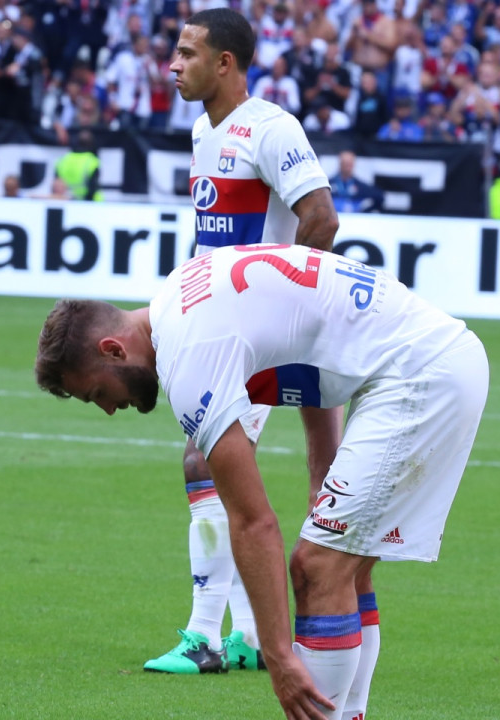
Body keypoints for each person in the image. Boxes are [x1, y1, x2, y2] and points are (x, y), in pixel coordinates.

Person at [34, 243, 490, 720]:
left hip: (418, 376)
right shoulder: (180, 289)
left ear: (113, 349)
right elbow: (313, 340)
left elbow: (254, 523)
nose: (109, 408)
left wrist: (277, 655)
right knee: (346, 569)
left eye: (97, 392)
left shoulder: (189, 361)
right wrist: (322, 469)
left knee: (318, 567)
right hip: (425, 357)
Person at [149, 6, 342, 680]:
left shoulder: (271, 128)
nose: (173, 66)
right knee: (223, 471)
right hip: (218, 324)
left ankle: (204, 637)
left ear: (224, 62)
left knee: (205, 461)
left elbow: (321, 218)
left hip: (253, 332)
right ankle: (252, 636)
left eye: (187, 54)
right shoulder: (205, 129)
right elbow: (215, 232)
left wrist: (276, 305)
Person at [55, 129, 102, 201]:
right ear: (92, 144)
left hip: (66, 202)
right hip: (89, 204)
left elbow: (56, 186)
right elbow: (92, 188)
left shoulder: (63, 159)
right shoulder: (92, 161)